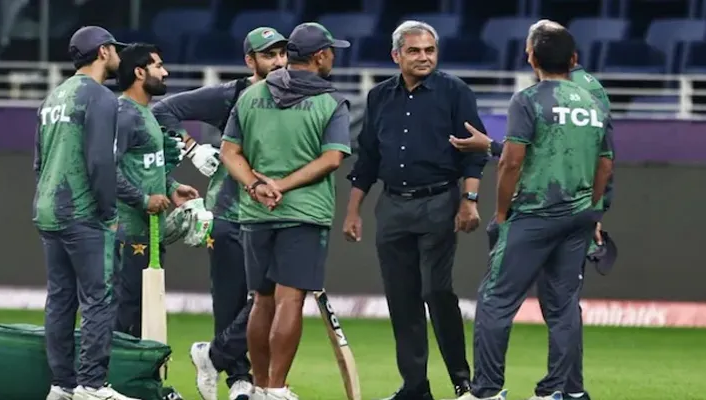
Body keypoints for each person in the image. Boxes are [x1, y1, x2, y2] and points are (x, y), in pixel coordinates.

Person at [448, 20, 612, 400]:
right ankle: (558, 390)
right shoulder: (593, 101)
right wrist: (591, 208)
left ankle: (487, 391)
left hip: (535, 213)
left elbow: (511, 162)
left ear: (532, 57)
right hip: (578, 216)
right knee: (564, 306)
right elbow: (605, 164)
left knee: (496, 300)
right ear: (572, 59)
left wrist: (501, 214)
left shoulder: (528, 99)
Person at [343, 20, 487, 400]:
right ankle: (415, 388)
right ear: (396, 55)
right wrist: (353, 211)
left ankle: (462, 382)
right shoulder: (378, 97)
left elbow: (475, 152)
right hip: (392, 207)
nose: (424, 57)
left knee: (437, 291)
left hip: (439, 202)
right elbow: (367, 159)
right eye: (414, 51)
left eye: (430, 50)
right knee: (402, 298)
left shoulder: (455, 92)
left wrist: (469, 201)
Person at [151, 27, 288, 400]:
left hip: (273, 212)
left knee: (273, 295)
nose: (278, 62)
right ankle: (239, 379)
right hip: (228, 211)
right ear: (250, 61)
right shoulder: (231, 95)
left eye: (282, 54)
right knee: (230, 298)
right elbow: (163, 110)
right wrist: (192, 148)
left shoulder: (295, 96)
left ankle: (214, 356)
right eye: (269, 55)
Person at [219, 22, 352, 400]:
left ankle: (261, 386)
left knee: (261, 299)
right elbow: (332, 158)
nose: (333, 58)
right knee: (289, 299)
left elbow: (229, 152)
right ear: (319, 56)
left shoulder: (250, 96)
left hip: (256, 213)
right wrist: (283, 185)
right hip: (304, 213)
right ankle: (277, 388)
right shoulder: (331, 101)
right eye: (331, 52)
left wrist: (255, 186)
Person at [33, 26, 136, 400]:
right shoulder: (101, 97)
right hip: (83, 212)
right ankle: (92, 385)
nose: (119, 57)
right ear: (103, 51)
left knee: (60, 300)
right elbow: (100, 161)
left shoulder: (52, 97)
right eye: (115, 50)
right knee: (99, 299)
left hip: (48, 210)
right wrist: (108, 211)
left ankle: (61, 385)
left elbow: (39, 162)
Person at [112, 43, 199, 339]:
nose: (165, 72)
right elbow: (104, 169)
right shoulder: (124, 114)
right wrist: (143, 200)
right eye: (158, 66)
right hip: (128, 232)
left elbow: (143, 166)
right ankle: (107, 369)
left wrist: (172, 187)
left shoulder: (144, 112)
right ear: (139, 72)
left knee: (141, 314)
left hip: (148, 231)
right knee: (125, 315)